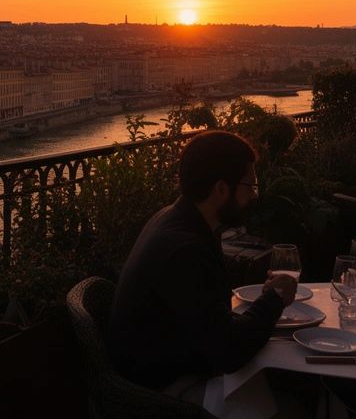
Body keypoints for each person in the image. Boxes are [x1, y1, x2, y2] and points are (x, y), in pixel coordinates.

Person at [108, 131, 297, 393]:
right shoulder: (186, 250)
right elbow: (229, 352)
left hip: (160, 367)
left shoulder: (174, 219)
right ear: (221, 189)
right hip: (159, 393)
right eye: (250, 185)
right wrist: (274, 296)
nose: (254, 195)